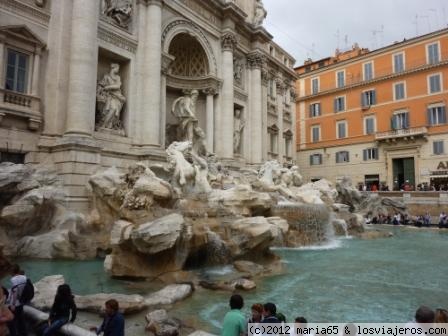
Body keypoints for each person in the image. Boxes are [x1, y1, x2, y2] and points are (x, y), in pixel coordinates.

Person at [7, 264, 27, 336]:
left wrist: (13, 304)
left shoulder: (13, 279)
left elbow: (15, 292)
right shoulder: (24, 277)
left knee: (11, 322)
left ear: (12, 272)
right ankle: (24, 334)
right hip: (21, 301)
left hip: (15, 303)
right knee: (21, 320)